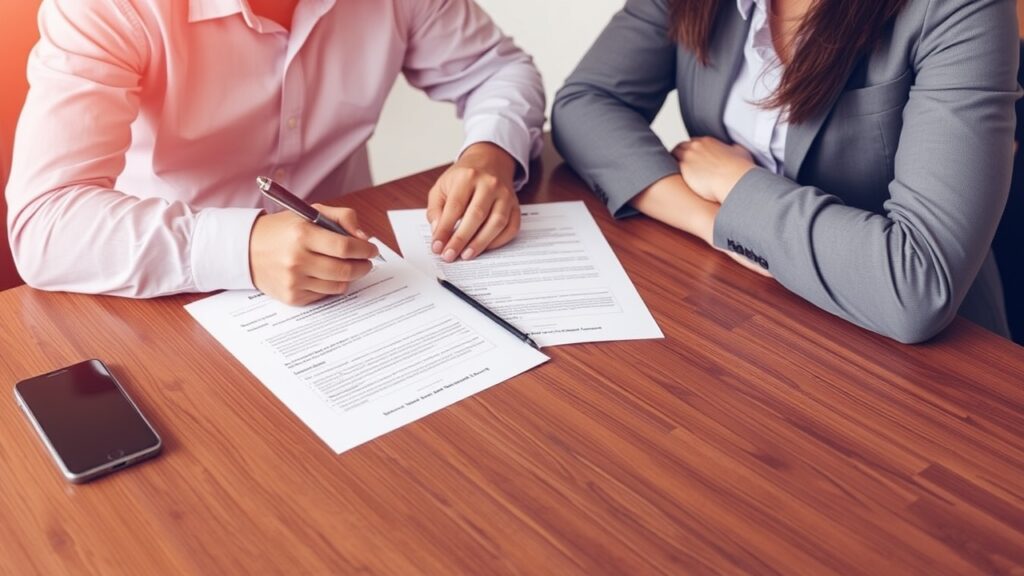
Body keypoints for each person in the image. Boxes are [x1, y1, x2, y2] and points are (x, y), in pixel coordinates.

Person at [6, 0, 544, 306]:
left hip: (353, 281)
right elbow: (45, 221)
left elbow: (498, 70)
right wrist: (244, 246)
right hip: (165, 289)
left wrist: (489, 152)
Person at [552, 0, 1019, 344]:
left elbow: (917, 284)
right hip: (744, 318)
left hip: (923, 366)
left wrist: (734, 184)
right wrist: (709, 221)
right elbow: (585, 104)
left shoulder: (961, 9)